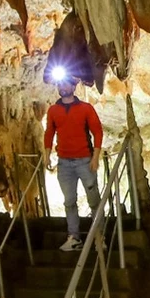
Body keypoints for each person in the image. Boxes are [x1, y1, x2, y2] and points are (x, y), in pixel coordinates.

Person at [43, 71, 103, 250]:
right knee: (69, 202)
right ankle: (74, 238)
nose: (62, 88)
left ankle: (100, 235)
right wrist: (46, 155)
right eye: (60, 85)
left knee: (94, 200)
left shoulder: (86, 108)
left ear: (73, 86)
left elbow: (97, 131)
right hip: (64, 163)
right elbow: (49, 133)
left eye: (66, 85)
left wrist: (96, 157)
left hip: (85, 160)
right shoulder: (53, 110)